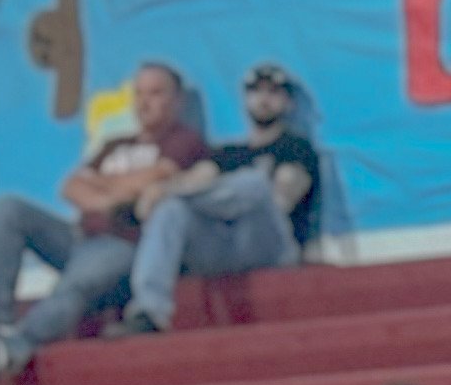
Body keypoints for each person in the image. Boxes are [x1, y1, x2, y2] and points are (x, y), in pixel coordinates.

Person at [0, 60, 209, 374]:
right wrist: (116, 196)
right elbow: (71, 187)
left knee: (79, 280)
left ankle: (20, 343)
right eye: (139, 93)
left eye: (155, 93)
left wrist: (102, 188)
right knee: (7, 209)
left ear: (177, 100)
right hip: (79, 236)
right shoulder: (114, 144)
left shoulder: (186, 141)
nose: (144, 102)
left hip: (125, 245)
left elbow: (155, 180)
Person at [121, 59, 322, 333]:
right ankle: (149, 311)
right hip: (227, 245)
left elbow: (281, 200)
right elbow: (197, 179)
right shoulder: (227, 153)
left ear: (287, 103)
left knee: (254, 184)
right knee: (172, 210)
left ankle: (174, 197)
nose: (264, 99)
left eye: (273, 93)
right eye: (257, 92)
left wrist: (170, 192)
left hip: (272, 242)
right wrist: (176, 194)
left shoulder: (297, 148)